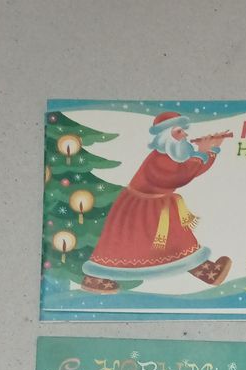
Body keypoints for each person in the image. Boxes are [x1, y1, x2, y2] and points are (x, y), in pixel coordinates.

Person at [81, 110, 231, 293]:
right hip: (139, 208)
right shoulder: (160, 159)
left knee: (180, 242)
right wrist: (202, 152)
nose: (185, 135)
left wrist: (211, 150)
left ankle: (207, 271)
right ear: (166, 136)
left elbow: (191, 170)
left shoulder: (171, 155)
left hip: (160, 206)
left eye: (183, 131)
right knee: (124, 244)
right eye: (179, 132)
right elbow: (181, 176)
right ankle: (96, 278)